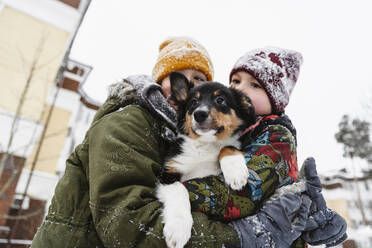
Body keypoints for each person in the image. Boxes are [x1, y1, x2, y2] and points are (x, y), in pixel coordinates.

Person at [31, 38, 344, 248]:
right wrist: (243, 237)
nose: (188, 86)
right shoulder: (130, 122)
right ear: (161, 80)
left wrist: (310, 212)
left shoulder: (262, 133)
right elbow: (129, 220)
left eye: (199, 79)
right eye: (178, 76)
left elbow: (266, 185)